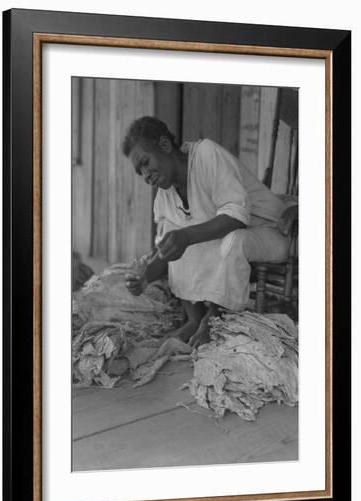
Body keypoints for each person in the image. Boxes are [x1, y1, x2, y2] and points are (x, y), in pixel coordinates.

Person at [122, 116, 296, 347]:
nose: (145, 175)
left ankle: (213, 317)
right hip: (236, 242)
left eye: (145, 162)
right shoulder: (164, 195)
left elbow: (237, 215)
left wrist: (185, 236)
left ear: (164, 145)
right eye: (139, 171)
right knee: (174, 240)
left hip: (276, 232)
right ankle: (194, 319)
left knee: (227, 239)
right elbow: (166, 250)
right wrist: (145, 277)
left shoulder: (206, 154)